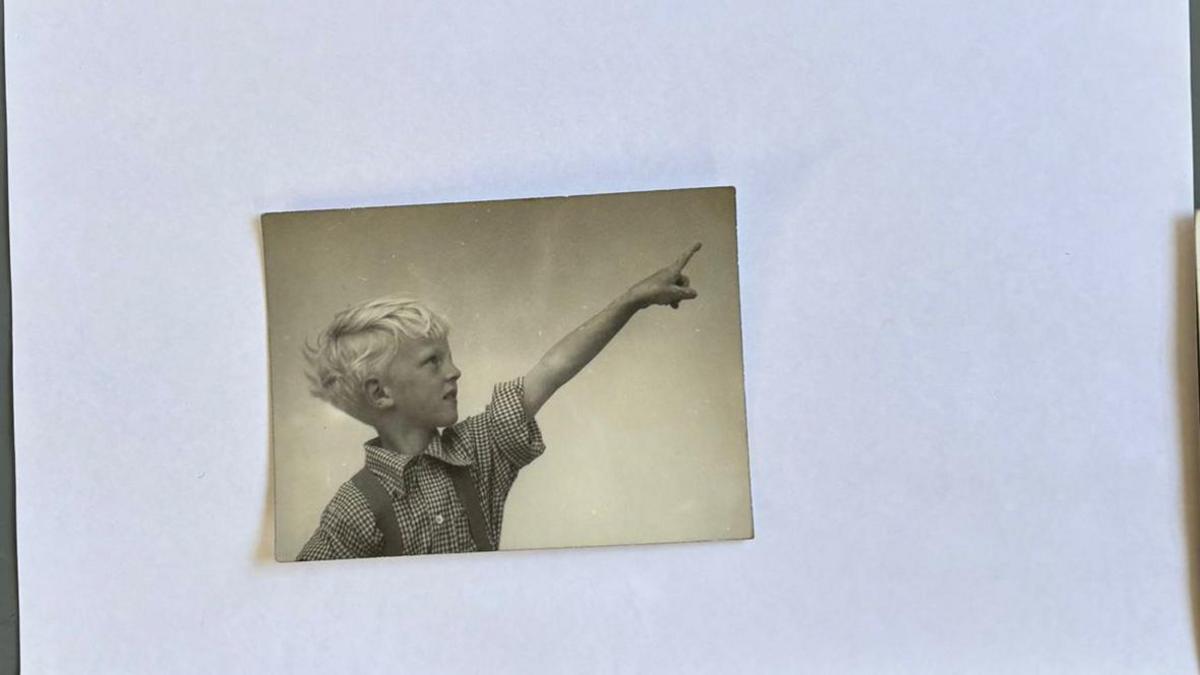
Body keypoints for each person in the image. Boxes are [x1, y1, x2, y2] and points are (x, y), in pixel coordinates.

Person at [295, 243, 702, 560]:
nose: (455, 372)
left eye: (449, 358)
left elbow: (554, 366)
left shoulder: (480, 449)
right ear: (381, 393)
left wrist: (632, 300)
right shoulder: (353, 509)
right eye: (432, 362)